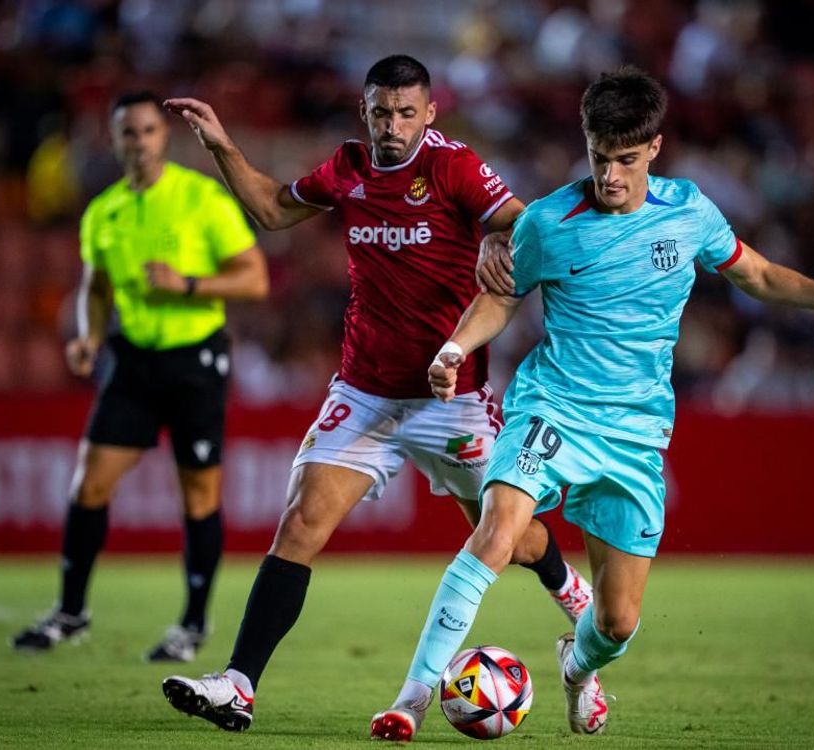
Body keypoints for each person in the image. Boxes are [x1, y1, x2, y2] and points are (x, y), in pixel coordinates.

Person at [370, 66, 814, 741]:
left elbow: (756, 274)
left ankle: (577, 667)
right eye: (597, 157)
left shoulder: (691, 212)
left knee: (615, 623)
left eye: (623, 159)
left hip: (635, 433)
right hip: (552, 407)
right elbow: (501, 297)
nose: (609, 175)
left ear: (653, 148)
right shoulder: (551, 222)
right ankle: (410, 699)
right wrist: (451, 351)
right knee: (496, 533)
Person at [159, 55, 594, 732]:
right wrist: (223, 147)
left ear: (430, 114)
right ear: (366, 112)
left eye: (405, 113)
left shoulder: (453, 167)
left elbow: (525, 221)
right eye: (381, 113)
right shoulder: (349, 167)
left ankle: (570, 591)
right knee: (300, 523)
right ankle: (238, 684)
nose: (392, 126)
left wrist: (500, 241)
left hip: (450, 397)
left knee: (505, 536)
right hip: (364, 393)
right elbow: (273, 210)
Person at [10, 91, 269, 662]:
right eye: (129, 132)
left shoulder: (200, 198)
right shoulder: (104, 211)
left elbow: (254, 279)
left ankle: (193, 624)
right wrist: (89, 336)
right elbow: (96, 287)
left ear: (164, 136)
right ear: (114, 139)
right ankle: (71, 612)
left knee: (199, 497)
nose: (140, 141)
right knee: (89, 485)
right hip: (131, 359)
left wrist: (190, 286)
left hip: (195, 358)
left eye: (149, 130)